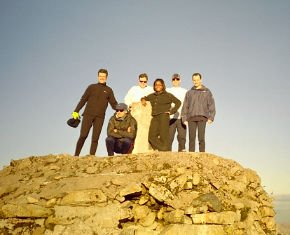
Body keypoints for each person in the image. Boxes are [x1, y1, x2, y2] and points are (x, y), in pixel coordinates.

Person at [72, 68, 118, 156]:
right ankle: (76, 155)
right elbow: (83, 99)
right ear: (98, 76)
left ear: (106, 77)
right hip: (88, 115)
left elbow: (114, 104)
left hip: (100, 117)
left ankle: (91, 156)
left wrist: (121, 109)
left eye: (103, 76)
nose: (102, 78)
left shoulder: (109, 90)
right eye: (100, 76)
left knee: (95, 138)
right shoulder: (91, 87)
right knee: (83, 135)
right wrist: (76, 111)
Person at [141, 79, 181, 151]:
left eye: (159, 84)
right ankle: (165, 149)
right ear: (154, 86)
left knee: (163, 136)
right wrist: (143, 100)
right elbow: (145, 98)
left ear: (163, 86)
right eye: (156, 85)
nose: (158, 86)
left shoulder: (168, 95)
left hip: (164, 116)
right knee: (151, 137)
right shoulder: (152, 95)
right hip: (155, 117)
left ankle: (164, 151)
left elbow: (178, 102)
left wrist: (171, 112)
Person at [181, 73, 216, 152]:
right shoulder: (189, 92)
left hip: (202, 117)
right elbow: (185, 106)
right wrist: (184, 118)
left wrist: (211, 117)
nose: (196, 81)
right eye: (194, 80)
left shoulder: (207, 91)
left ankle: (202, 154)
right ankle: (191, 154)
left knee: (201, 137)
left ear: (201, 80)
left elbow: (211, 104)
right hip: (191, 117)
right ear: (192, 80)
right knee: (191, 137)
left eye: (197, 80)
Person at [124, 73, 153, 153]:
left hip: (147, 114)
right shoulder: (133, 88)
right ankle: (133, 150)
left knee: (146, 132)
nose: (143, 83)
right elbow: (127, 99)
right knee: (135, 131)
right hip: (136, 112)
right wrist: (130, 104)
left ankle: (146, 149)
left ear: (147, 81)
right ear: (138, 81)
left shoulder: (151, 89)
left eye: (145, 81)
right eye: (141, 81)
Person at [167, 73, 187, 152]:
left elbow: (187, 104)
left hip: (181, 117)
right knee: (169, 137)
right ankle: (167, 153)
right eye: (174, 79)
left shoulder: (185, 91)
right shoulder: (168, 90)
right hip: (170, 117)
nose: (175, 81)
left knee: (182, 137)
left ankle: (181, 152)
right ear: (172, 81)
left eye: (177, 79)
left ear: (180, 80)